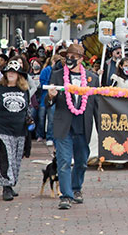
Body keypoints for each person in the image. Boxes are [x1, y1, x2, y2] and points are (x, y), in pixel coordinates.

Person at [46, 44, 99, 210]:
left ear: (81, 59)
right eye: (67, 56)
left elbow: (97, 105)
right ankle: (66, 195)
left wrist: (102, 128)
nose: (69, 59)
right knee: (63, 161)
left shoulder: (93, 78)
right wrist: (50, 97)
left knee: (82, 161)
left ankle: (76, 188)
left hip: (83, 124)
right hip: (64, 124)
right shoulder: (57, 75)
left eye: (73, 56)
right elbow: (48, 101)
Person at [0, 60, 32, 201]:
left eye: (14, 72)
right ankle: (6, 186)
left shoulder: (24, 90)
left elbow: (27, 109)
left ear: (18, 75)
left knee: (15, 160)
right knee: (4, 157)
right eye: (9, 72)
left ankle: (11, 183)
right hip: (2, 129)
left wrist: (30, 121)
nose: (11, 74)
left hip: (20, 131)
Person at [37, 54, 62, 145]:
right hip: (45, 97)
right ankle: (40, 134)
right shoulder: (46, 70)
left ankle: (50, 137)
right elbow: (43, 83)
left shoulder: (60, 71)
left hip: (56, 98)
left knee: (51, 119)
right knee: (41, 117)